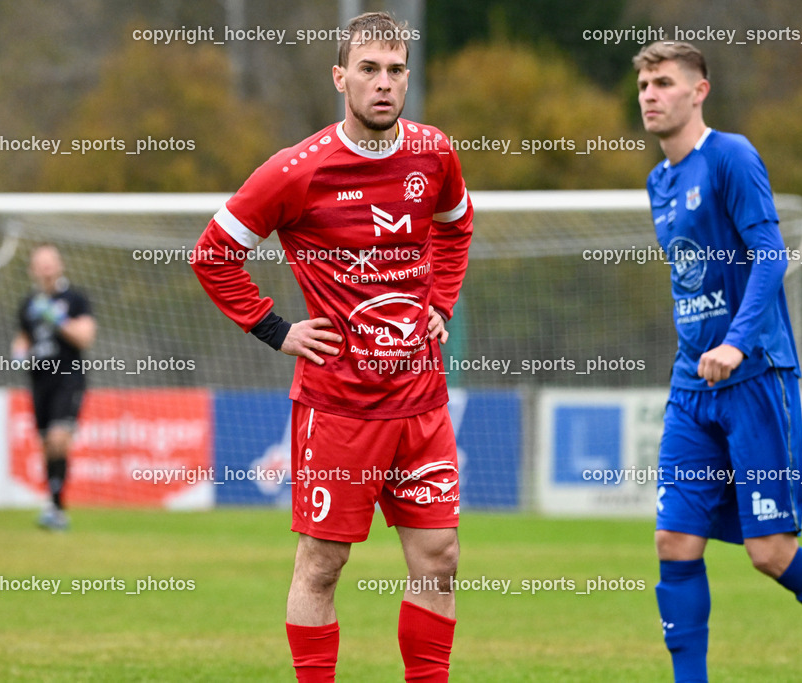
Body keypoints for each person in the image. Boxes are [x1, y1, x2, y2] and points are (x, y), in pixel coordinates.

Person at [192, 11, 472, 681]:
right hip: (339, 406)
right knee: (323, 562)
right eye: (369, 69)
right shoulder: (296, 171)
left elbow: (456, 226)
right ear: (340, 76)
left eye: (396, 69)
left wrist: (440, 304)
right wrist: (275, 327)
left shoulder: (433, 152)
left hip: (420, 401)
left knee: (439, 557)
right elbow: (213, 255)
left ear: (408, 76)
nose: (384, 83)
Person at [634, 41, 802, 682]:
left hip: (754, 378)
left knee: (771, 553)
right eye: (642, 83)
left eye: (664, 82)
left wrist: (738, 342)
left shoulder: (731, 156)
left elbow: (769, 254)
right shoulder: (659, 181)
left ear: (699, 91)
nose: (649, 94)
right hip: (692, 385)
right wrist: (700, 349)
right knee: (674, 541)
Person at [12, 243, 95, 531]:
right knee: (47, 443)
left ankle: (56, 508)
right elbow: (23, 338)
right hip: (39, 380)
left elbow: (85, 337)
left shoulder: (75, 299)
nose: (46, 267)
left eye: (51, 262)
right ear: (33, 269)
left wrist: (57, 319)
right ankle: (54, 505)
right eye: (40, 263)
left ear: (60, 265)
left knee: (61, 437)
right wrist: (18, 355)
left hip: (68, 377)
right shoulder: (28, 304)